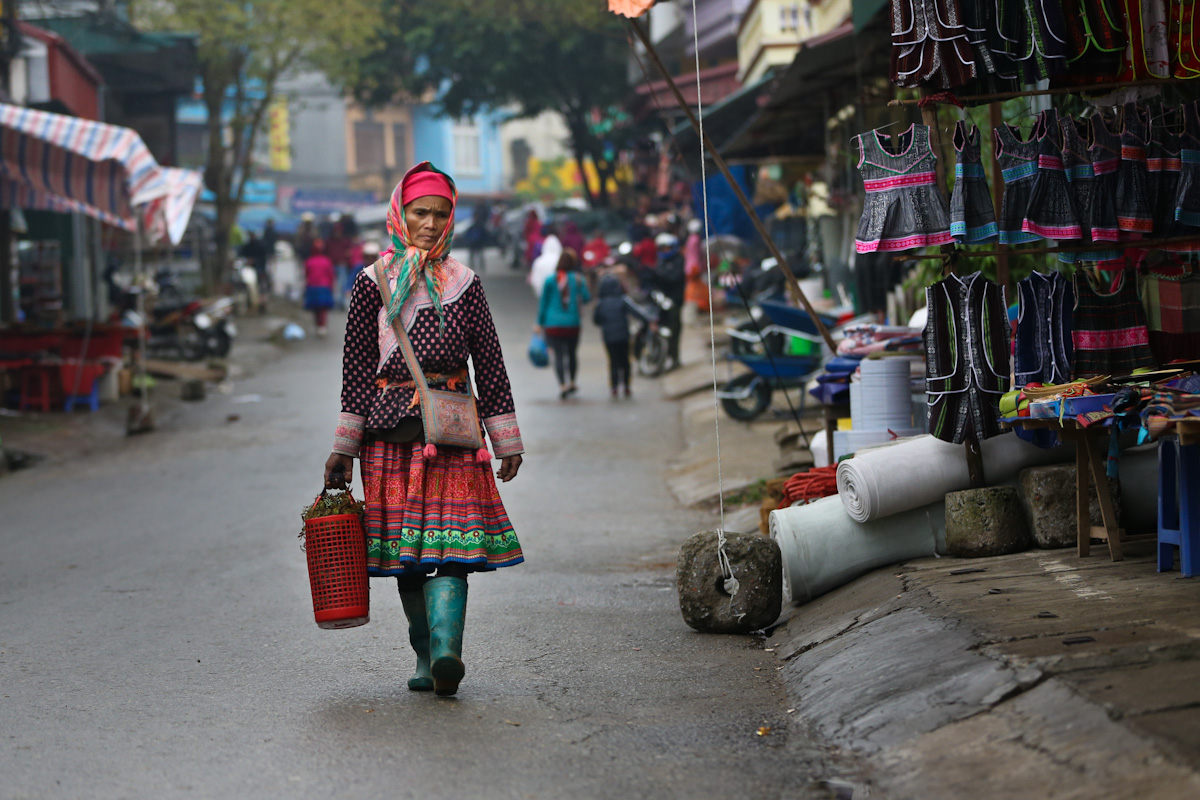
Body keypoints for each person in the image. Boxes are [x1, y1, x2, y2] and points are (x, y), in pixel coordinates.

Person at [323, 162, 525, 698]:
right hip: (388, 435)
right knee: (407, 558)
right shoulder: (372, 284)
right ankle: (426, 653)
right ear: (400, 214)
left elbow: (491, 362)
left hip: (454, 435)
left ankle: (446, 651)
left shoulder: (466, 284)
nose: (431, 223)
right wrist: (344, 447)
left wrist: (506, 439)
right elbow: (356, 367)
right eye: (420, 212)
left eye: (441, 213)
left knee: (453, 549)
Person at [534, 248, 591, 399]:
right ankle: (572, 382)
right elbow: (586, 298)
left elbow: (543, 304)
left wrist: (539, 323)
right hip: (573, 324)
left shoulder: (549, 280)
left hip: (552, 326)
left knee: (558, 355)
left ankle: (562, 385)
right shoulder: (578, 279)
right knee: (572, 354)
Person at [592, 273, 634, 398]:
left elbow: (596, 320)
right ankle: (626, 386)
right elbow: (636, 312)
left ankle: (614, 387)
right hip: (623, 335)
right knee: (625, 360)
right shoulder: (623, 300)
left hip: (609, 337)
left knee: (613, 361)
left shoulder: (600, 303)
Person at [653, 232, 686, 370]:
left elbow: (674, 278)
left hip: (675, 302)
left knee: (674, 331)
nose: (665, 250)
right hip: (661, 302)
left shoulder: (679, 261)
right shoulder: (660, 262)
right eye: (662, 248)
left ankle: (674, 358)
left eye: (667, 247)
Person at [303, 239, 335, 337]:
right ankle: (322, 327)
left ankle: (318, 326)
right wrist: (331, 286)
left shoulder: (309, 261)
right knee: (323, 308)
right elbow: (331, 275)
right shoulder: (327, 261)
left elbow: (306, 275)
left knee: (315, 308)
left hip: (312, 286)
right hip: (324, 286)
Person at [529, 224, 562, 299]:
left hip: (543, 292)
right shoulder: (562, 260)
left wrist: (539, 292)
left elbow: (535, 279)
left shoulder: (539, 261)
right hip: (558, 294)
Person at [239, 231, 270, 311]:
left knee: (261, 287)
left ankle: (261, 304)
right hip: (249, 269)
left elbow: (263, 258)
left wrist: (255, 261)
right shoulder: (247, 246)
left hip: (259, 268)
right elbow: (242, 255)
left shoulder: (260, 246)